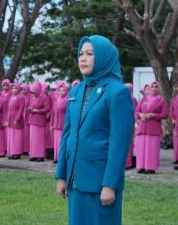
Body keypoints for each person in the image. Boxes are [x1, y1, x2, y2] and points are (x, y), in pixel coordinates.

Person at [55, 35, 134, 225]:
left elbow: (119, 144)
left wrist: (110, 184)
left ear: (104, 57)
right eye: (81, 54)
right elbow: (67, 134)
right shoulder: (76, 91)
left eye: (90, 54)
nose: (83, 58)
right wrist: (61, 175)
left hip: (100, 184)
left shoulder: (118, 92)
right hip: (75, 180)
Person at [135, 81, 168, 174]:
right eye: (152, 86)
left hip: (153, 128)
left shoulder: (161, 100)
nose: (154, 88)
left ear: (159, 89)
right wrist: (140, 115)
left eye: (156, 86)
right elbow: (136, 111)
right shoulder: (144, 99)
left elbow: (165, 114)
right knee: (141, 147)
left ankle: (151, 168)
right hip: (142, 127)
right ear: (149, 88)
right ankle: (141, 166)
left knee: (151, 149)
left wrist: (153, 115)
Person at [28, 81, 50, 162]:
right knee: (33, 139)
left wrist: (38, 110)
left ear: (37, 90)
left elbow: (47, 108)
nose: (33, 93)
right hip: (32, 120)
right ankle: (33, 155)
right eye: (32, 92)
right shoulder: (33, 97)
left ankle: (40, 156)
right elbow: (31, 106)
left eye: (34, 91)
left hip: (40, 121)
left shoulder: (44, 97)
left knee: (39, 139)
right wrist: (30, 109)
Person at [5, 83, 25, 159]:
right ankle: (12, 152)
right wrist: (7, 119)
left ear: (18, 89)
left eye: (15, 88)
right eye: (12, 88)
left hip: (17, 120)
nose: (14, 90)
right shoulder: (11, 97)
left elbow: (21, 109)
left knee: (16, 137)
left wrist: (17, 119)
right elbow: (8, 110)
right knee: (11, 136)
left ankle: (17, 153)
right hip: (10, 120)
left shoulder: (21, 97)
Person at [50, 82, 68, 163]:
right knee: (56, 142)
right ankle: (56, 157)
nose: (61, 92)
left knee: (61, 142)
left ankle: (61, 158)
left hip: (62, 124)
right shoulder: (57, 100)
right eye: (60, 90)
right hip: (56, 124)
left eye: (63, 90)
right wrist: (52, 124)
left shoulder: (67, 100)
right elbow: (53, 112)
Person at [124, 83, 138, 169]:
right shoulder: (121, 98)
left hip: (129, 124)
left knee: (129, 144)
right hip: (121, 124)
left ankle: (128, 163)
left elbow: (135, 112)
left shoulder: (133, 99)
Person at [21, 83, 31, 155]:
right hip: (22, 117)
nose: (23, 91)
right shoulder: (21, 96)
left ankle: (27, 149)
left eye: (24, 89)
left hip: (28, 117)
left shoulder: (30, 96)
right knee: (22, 134)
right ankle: (23, 149)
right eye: (21, 89)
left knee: (27, 134)